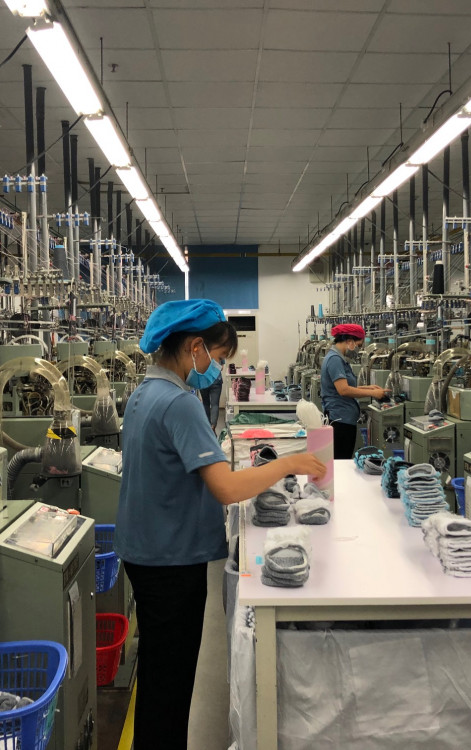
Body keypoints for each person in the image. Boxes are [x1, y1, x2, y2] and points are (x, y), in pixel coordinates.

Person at [115, 299, 326, 750]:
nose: (218, 369)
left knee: (158, 676)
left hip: (146, 552)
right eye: (218, 357)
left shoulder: (144, 392)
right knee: (171, 687)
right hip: (171, 561)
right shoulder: (178, 402)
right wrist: (288, 463)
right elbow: (227, 489)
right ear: (195, 347)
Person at [320, 323, 386, 459]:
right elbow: (343, 390)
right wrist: (373, 394)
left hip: (344, 419)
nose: (358, 350)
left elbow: (346, 386)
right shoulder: (334, 359)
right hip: (340, 421)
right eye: (358, 345)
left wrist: (370, 388)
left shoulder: (339, 359)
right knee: (340, 461)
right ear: (349, 341)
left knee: (342, 459)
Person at [198, 365, 223, 431]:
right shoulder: (218, 357)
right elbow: (221, 368)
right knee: (215, 404)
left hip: (203, 380)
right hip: (216, 380)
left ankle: (207, 427)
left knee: (205, 404)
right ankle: (213, 427)